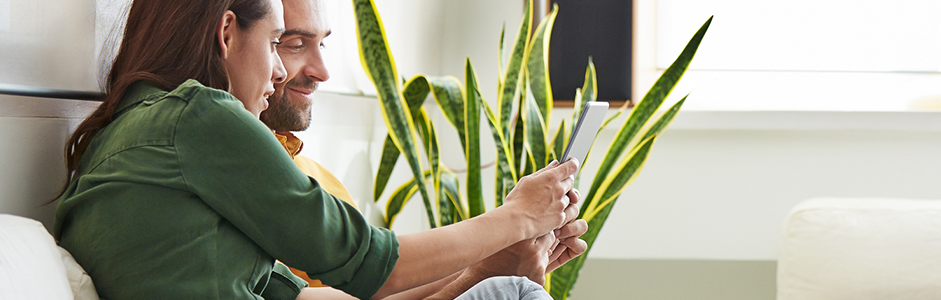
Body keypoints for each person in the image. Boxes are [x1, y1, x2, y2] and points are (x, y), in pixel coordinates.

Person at [53, 0, 582, 299]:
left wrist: (483, 271)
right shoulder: (199, 117)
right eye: (277, 43)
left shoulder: (133, 143)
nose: (282, 72)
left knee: (503, 289)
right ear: (226, 33)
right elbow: (372, 262)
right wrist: (517, 216)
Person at [258, 0, 588, 298]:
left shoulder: (319, 179)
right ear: (228, 39)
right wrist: (513, 224)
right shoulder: (250, 176)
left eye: (323, 42)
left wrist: (498, 262)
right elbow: (378, 273)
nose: (323, 71)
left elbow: (375, 290)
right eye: (293, 44)